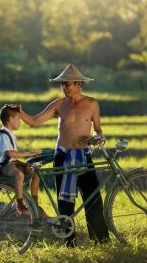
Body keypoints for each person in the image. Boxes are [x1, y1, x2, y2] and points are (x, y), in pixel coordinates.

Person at [17, 63, 109, 246]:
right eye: (62, 84)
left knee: (92, 197)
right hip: (63, 156)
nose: (64, 87)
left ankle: (101, 240)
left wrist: (96, 138)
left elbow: (98, 130)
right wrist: (20, 113)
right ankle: (70, 243)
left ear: (78, 85)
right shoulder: (59, 104)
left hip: (83, 156)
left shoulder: (92, 104)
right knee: (65, 201)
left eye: (68, 84)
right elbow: (35, 121)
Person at [0, 105, 44, 215]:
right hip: (2, 166)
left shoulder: (10, 134)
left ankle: (34, 203)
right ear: (10, 119)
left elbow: (13, 158)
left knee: (35, 173)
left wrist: (24, 164)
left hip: (11, 163)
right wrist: (31, 153)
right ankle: (20, 205)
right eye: (18, 119)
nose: (20, 122)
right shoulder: (3, 136)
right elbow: (10, 154)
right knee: (19, 175)